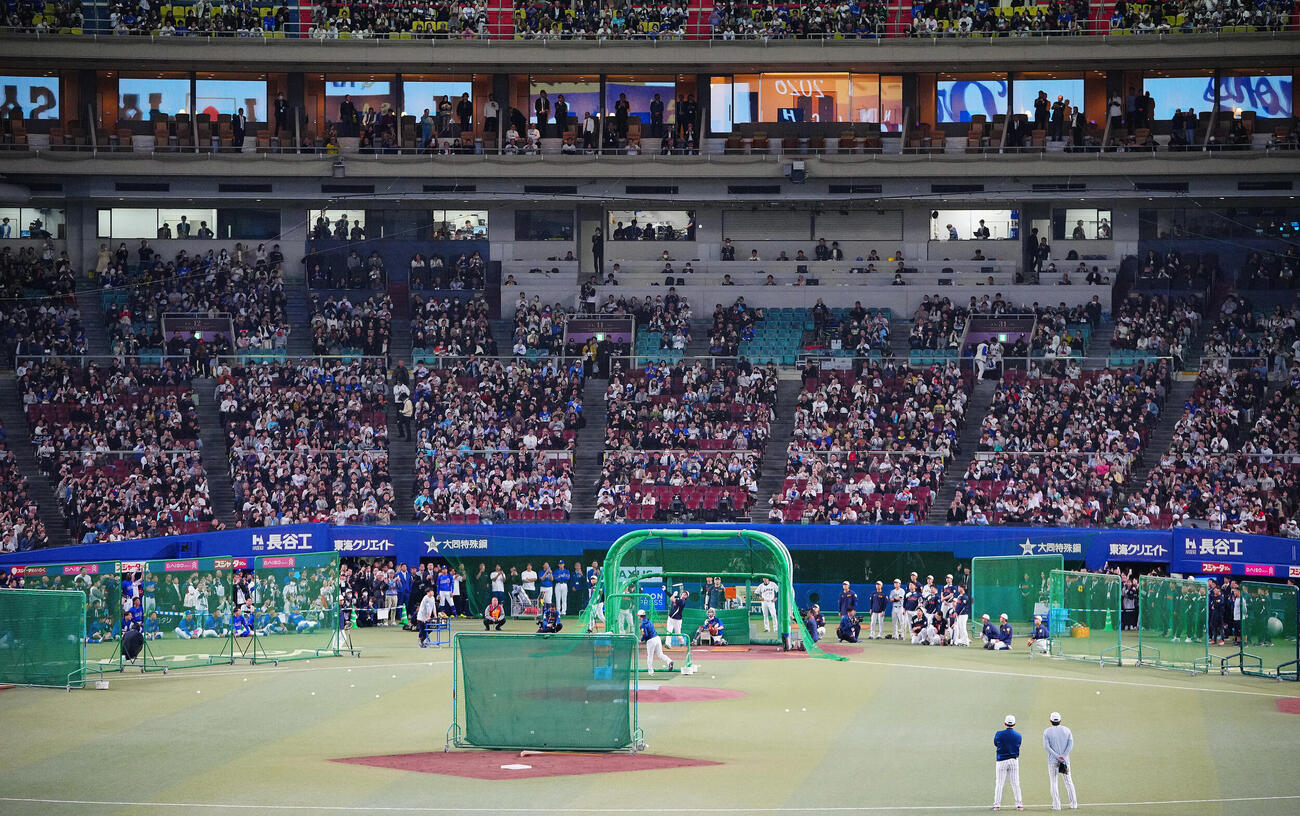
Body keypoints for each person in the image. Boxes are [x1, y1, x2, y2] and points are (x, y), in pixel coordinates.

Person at [1043, 712, 1078, 810]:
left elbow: (1047, 747)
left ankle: (1056, 805)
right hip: (1065, 761)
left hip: (1053, 761)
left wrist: (1057, 756)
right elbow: (1070, 744)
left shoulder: (1047, 732)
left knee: (1053, 782)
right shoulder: (1067, 730)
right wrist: (1063, 756)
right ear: (1060, 720)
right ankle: (1074, 804)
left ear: (1050, 721)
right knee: (1068, 782)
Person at [993, 714, 1024, 811]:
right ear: (1014, 724)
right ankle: (1019, 804)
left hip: (1001, 761)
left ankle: (997, 805)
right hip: (1013, 761)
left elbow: (996, 743)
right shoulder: (1018, 736)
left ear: (1005, 723)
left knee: (999, 783)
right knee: (1015, 783)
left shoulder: (999, 734)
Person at [637, 609, 673, 675]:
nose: (638, 617)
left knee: (650, 656)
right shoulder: (649, 620)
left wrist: (641, 640)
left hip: (651, 640)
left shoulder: (642, 624)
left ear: (640, 616)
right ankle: (669, 661)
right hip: (657, 638)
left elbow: (645, 634)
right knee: (660, 654)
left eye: (638, 616)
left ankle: (651, 672)